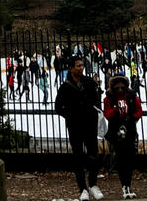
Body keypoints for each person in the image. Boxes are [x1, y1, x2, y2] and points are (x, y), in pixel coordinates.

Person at [55, 57, 104, 201]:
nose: (81, 68)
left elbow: (96, 101)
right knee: (78, 157)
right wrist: (70, 116)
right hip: (75, 126)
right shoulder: (65, 87)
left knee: (93, 153)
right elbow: (58, 107)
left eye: (82, 65)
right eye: (78, 66)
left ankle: (93, 184)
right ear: (71, 68)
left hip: (89, 124)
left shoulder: (89, 82)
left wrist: (94, 114)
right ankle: (83, 188)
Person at [102, 73, 143, 199]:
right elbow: (107, 114)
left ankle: (128, 184)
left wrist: (131, 118)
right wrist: (115, 111)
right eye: (117, 88)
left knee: (129, 159)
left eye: (122, 87)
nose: (120, 90)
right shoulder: (108, 98)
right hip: (116, 130)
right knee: (121, 159)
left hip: (129, 128)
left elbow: (139, 110)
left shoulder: (132, 96)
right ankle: (124, 185)